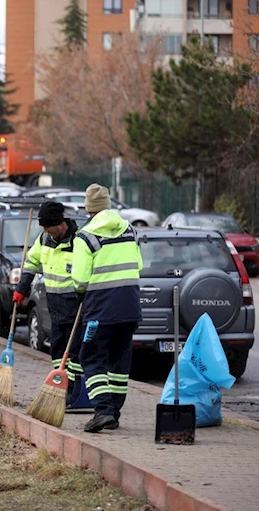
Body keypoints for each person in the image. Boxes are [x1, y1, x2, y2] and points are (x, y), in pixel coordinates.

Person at [72, 183, 143, 433]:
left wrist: (81, 293)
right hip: (130, 307)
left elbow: (80, 279)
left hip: (100, 310)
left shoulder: (86, 236)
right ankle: (114, 414)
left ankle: (102, 411)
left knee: (90, 357)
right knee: (119, 363)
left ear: (88, 209)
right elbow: (140, 266)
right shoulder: (130, 231)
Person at [12, 201, 86, 408]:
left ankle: (73, 392)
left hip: (75, 306)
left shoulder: (78, 242)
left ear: (59, 223)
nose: (44, 230)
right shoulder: (45, 238)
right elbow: (31, 262)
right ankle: (57, 387)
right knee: (56, 350)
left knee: (73, 354)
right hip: (54, 306)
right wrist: (22, 288)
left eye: (47, 226)